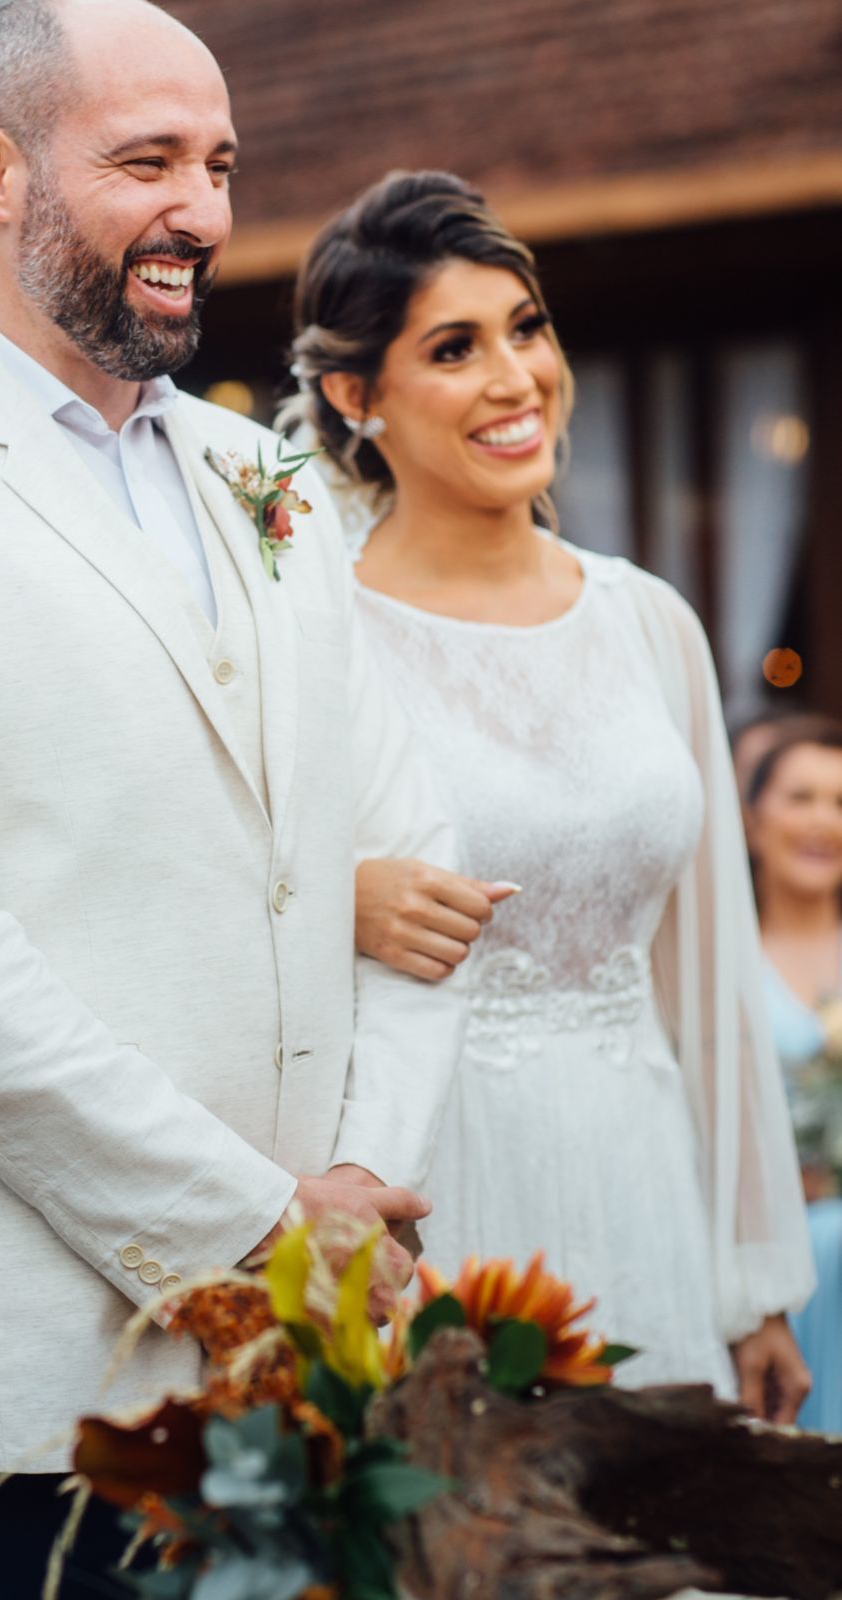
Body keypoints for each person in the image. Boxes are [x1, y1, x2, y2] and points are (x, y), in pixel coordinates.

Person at [0, 10, 470, 1596]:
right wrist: (260, 1225)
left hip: (305, 1364)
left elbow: (411, 853)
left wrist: (355, 1194)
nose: (203, 213)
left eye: (217, 165)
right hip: (16, 1385)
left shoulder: (261, 475)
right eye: (146, 161)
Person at [284, 168, 814, 1418]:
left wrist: (752, 1280)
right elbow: (220, 902)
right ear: (357, 396)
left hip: (645, 1185)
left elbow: (705, 973)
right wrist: (328, 898)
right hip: (435, 1191)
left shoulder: (651, 623)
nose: (515, 377)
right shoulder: (314, 640)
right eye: (453, 348)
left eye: (525, 328)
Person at [744, 717, 842, 1432]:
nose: (821, 821)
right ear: (751, 822)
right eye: (800, 797)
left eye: (839, 803)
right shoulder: (723, 970)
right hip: (776, 1265)